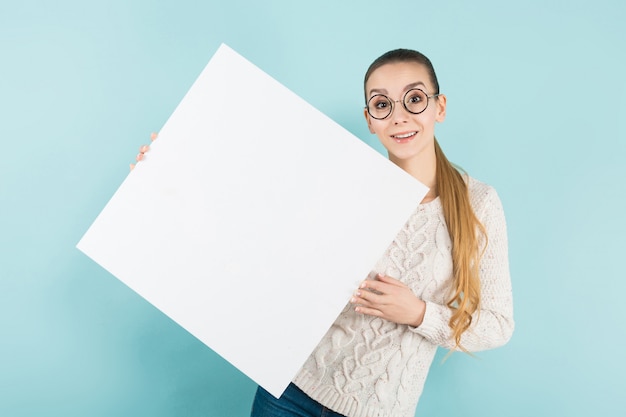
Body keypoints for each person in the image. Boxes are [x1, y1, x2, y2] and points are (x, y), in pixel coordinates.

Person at [135, 48, 514, 417]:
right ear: (370, 119)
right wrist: (169, 169)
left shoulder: (477, 203)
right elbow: (247, 214)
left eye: (413, 99)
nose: (399, 116)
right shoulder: (346, 183)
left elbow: (497, 325)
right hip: (289, 393)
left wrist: (417, 313)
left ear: (439, 107)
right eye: (382, 105)